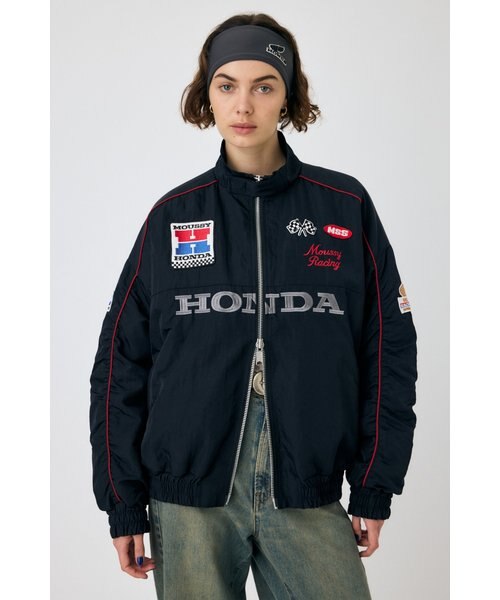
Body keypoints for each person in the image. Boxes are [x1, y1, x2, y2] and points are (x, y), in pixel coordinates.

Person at [89, 12, 418, 600]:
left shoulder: (344, 207)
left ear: (287, 96)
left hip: (306, 491)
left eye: (263, 86)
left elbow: (388, 351)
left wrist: (374, 483)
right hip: (188, 503)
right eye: (227, 86)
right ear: (208, 96)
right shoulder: (173, 216)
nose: (243, 105)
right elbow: (118, 366)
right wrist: (123, 502)